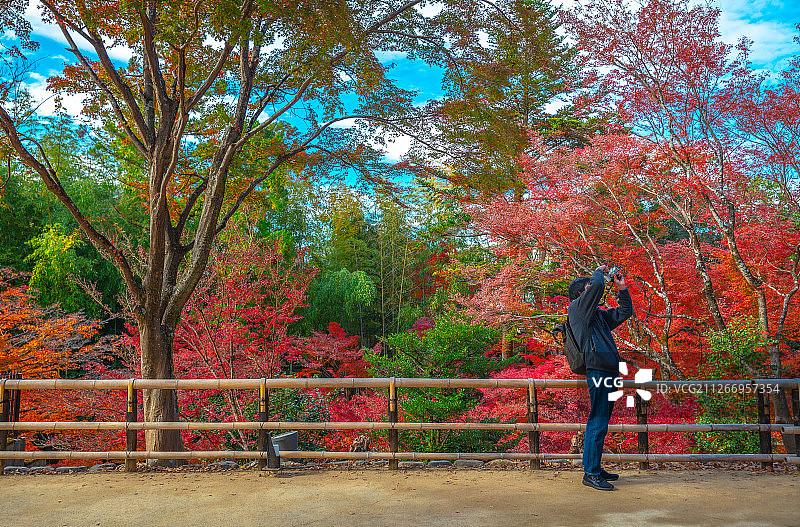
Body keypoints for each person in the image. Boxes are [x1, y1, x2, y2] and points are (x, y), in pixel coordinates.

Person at [567, 264, 633, 491]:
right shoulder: (577, 309)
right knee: (597, 420)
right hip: (598, 369)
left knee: (601, 421)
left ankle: (594, 466)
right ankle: (591, 473)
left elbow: (625, 313)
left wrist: (622, 289)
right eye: (588, 289)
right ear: (580, 294)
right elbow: (596, 285)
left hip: (608, 369)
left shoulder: (598, 317)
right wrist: (598, 271)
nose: (595, 291)